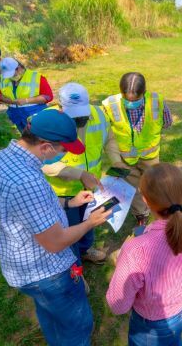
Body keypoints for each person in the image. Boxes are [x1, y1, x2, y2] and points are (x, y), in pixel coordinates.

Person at [0, 108, 113, 346]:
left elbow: (26, 209)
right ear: (45, 147)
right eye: (63, 150)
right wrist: (90, 222)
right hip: (48, 274)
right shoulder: (27, 181)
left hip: (21, 268)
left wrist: (70, 202)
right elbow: (56, 242)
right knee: (76, 326)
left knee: (51, 315)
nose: (63, 156)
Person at [106, 163, 182, 346]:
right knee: (174, 339)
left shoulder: (135, 250)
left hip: (153, 325)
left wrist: (122, 263)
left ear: (145, 200)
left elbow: (118, 305)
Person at [42, 82, 112, 264]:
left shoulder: (99, 114)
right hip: (63, 193)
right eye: (74, 116)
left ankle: (85, 249)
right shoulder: (46, 122)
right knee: (69, 230)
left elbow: (109, 137)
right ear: (60, 106)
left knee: (89, 220)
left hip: (90, 188)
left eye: (83, 115)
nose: (80, 120)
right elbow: (42, 164)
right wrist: (79, 174)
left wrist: (118, 160)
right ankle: (74, 265)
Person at [102, 72, 173, 226]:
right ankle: (142, 215)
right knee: (130, 186)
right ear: (121, 92)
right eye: (127, 99)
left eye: (135, 100)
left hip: (150, 156)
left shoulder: (157, 102)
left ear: (144, 92)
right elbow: (106, 131)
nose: (130, 103)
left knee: (153, 184)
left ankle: (157, 209)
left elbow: (167, 122)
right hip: (124, 158)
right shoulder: (110, 105)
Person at [0, 57, 52, 132]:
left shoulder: (36, 77)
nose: (10, 77)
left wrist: (26, 100)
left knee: (41, 138)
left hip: (35, 116)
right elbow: (0, 95)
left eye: (12, 74)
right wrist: (6, 100)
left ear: (19, 68)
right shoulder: (4, 79)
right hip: (17, 117)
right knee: (27, 139)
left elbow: (48, 96)